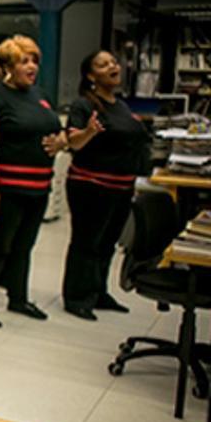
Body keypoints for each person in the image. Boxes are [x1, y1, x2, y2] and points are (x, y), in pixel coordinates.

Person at [0, 35, 65, 327]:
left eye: (34, 60)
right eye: (24, 61)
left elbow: (53, 127)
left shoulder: (39, 94)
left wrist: (61, 139)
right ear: (7, 66)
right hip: (7, 186)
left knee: (25, 245)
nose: (32, 66)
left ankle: (18, 298)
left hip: (39, 185)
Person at [62, 50, 150, 320]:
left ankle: (98, 292)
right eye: (103, 64)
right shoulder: (84, 105)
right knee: (87, 241)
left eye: (114, 62)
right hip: (91, 185)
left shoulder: (119, 105)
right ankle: (77, 296)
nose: (113, 66)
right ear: (91, 75)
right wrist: (88, 132)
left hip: (121, 187)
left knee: (108, 243)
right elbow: (72, 142)